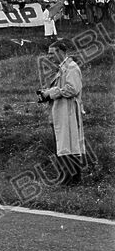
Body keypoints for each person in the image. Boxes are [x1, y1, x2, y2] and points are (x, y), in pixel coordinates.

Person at [37, 38, 85, 185]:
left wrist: (51, 92)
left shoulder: (71, 67)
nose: (50, 57)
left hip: (68, 111)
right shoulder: (63, 68)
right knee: (66, 144)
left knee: (67, 145)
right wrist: (47, 94)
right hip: (62, 110)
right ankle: (73, 178)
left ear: (61, 52)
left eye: (52, 53)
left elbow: (72, 89)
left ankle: (67, 179)